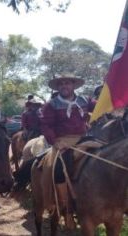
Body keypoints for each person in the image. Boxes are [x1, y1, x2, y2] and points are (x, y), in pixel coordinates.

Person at [40, 74, 94, 229]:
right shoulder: (52, 105)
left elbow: (100, 106)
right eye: (61, 83)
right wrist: (55, 140)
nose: (64, 85)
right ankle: (67, 210)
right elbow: (45, 125)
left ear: (73, 85)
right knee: (57, 169)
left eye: (68, 83)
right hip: (62, 141)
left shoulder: (85, 100)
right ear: (58, 87)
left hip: (84, 138)